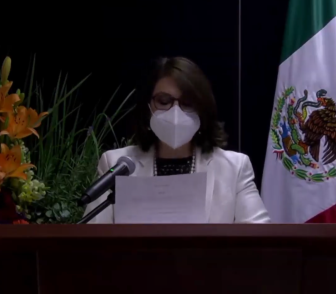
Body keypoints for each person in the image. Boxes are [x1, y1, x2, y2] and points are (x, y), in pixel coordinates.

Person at [84, 57, 270, 224]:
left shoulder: (234, 168)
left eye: (187, 103)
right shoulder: (116, 164)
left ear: (202, 109)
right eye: (164, 101)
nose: (175, 112)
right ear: (148, 107)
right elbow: (93, 238)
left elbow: (259, 238)